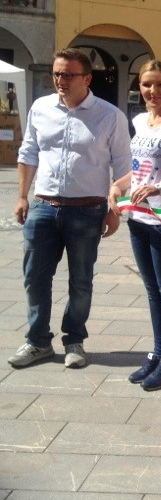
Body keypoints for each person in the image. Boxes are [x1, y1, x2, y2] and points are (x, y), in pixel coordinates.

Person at [8, 48, 131, 369]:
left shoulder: (109, 116)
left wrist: (114, 210)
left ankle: (74, 339)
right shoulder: (40, 108)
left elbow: (123, 167)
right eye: (57, 74)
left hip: (87, 211)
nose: (60, 80)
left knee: (80, 281)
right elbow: (29, 151)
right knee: (34, 278)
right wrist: (23, 196)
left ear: (87, 78)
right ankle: (37, 342)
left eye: (68, 75)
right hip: (43, 207)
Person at [108, 60, 161, 391]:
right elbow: (138, 169)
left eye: (159, 84)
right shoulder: (139, 120)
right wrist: (118, 185)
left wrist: (159, 189)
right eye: (145, 84)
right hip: (137, 218)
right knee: (152, 290)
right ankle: (157, 352)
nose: (152, 91)